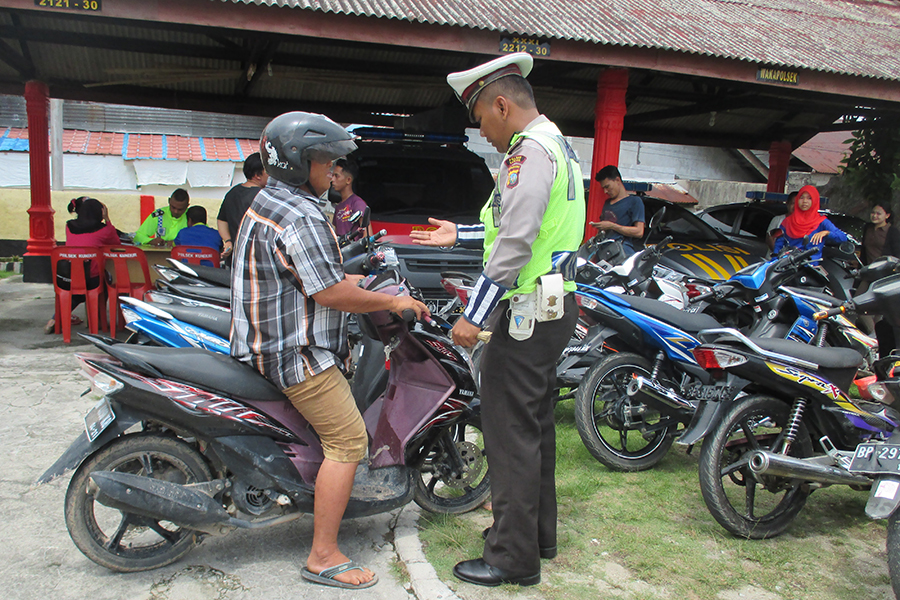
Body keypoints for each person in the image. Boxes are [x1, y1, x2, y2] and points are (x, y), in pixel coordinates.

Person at [230, 111, 428, 590]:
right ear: (301, 162)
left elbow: (317, 276)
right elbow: (330, 294)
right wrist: (393, 300)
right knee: (348, 442)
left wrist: (365, 282)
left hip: (262, 340)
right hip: (293, 352)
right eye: (327, 161)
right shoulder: (302, 215)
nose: (335, 169)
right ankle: (323, 554)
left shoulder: (271, 201)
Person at [410, 52, 585, 587]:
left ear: (502, 105)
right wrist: (458, 235)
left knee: (509, 435)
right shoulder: (559, 146)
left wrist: (474, 315)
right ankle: (540, 538)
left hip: (526, 312)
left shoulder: (526, 154)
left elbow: (514, 242)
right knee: (533, 429)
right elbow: (517, 223)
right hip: (554, 306)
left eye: (481, 119)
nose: (482, 132)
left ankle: (511, 558)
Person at [44, 196, 120, 334]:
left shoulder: (69, 226)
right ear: (100, 213)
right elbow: (116, 242)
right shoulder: (104, 230)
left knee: (78, 292)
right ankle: (97, 320)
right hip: (91, 281)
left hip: (67, 277)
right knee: (108, 280)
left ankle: (56, 318)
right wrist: (108, 219)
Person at [772, 185, 848, 261]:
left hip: (810, 267)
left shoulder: (821, 221)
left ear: (815, 200)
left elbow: (843, 238)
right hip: (789, 265)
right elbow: (778, 245)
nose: (805, 201)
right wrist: (774, 262)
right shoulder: (787, 222)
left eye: (809, 198)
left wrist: (826, 233)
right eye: (801, 197)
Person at [217, 152, 267, 260]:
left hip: (235, 258)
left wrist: (228, 241)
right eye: (267, 171)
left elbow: (221, 220)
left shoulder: (232, 192)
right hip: (255, 259)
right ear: (257, 175)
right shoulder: (263, 196)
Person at [590, 165, 645, 256]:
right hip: (603, 254)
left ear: (617, 180)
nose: (605, 191)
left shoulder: (634, 201)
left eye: (607, 187)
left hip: (621, 253)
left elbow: (639, 232)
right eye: (603, 188)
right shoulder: (607, 203)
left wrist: (612, 226)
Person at [329, 158, 370, 238]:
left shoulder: (358, 203)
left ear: (348, 180)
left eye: (336, 176)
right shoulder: (338, 206)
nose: (332, 180)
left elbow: (368, 235)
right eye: (332, 176)